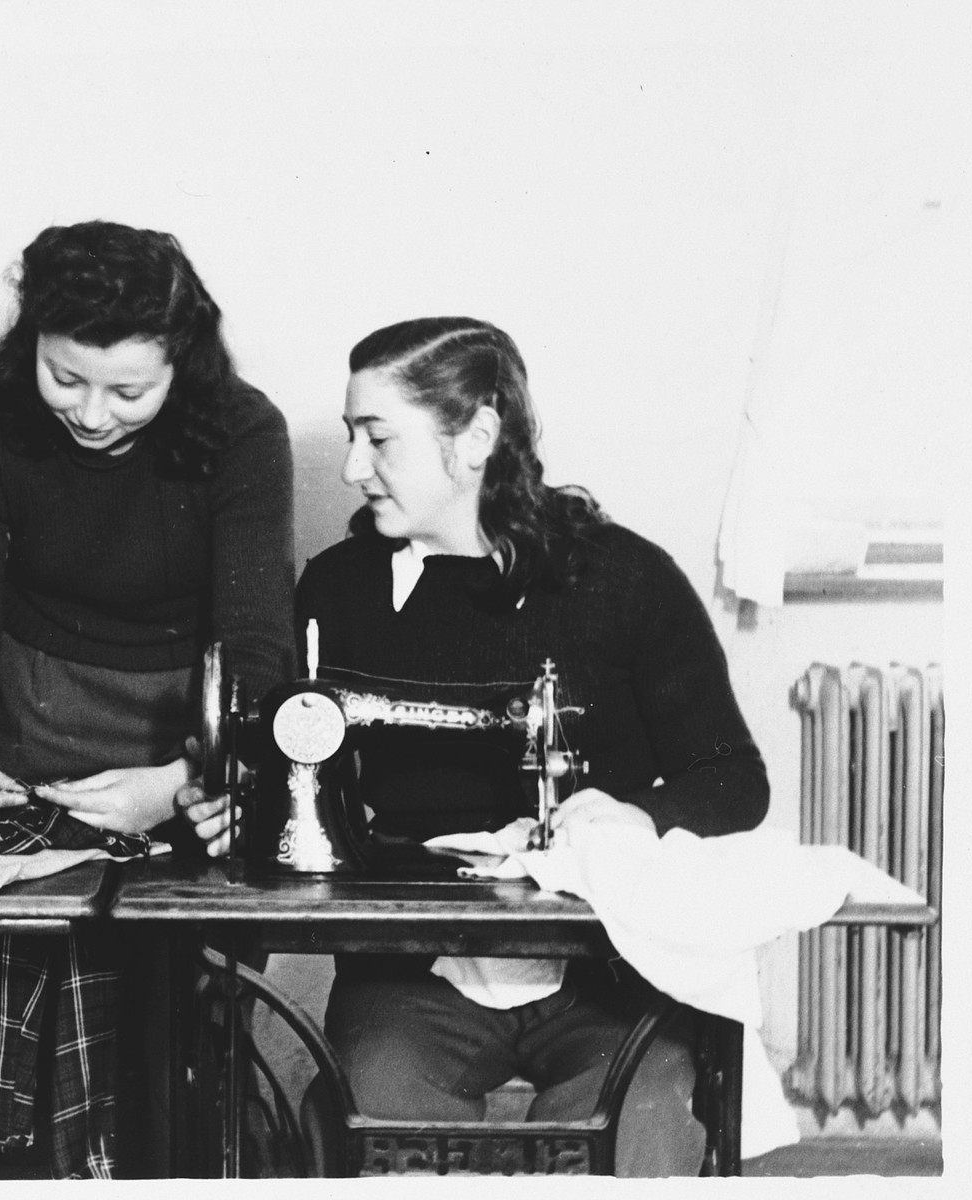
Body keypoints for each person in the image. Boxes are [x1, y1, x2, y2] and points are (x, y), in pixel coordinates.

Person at [180, 317, 770, 1177]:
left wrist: (636, 816)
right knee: (367, 1123)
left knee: (637, 1130)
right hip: (414, 976)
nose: (350, 467)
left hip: (606, 973)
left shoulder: (624, 580)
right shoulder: (339, 591)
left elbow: (733, 779)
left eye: (377, 438)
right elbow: (286, 763)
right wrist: (250, 811)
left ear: (478, 437)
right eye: (351, 436)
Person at [0, 220, 296, 1176]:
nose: (91, 412)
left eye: (129, 390)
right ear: (28, 346)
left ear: (183, 362)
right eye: (64, 377)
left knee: (166, 1014)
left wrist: (175, 786)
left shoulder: (244, 434)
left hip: (191, 768)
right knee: (26, 965)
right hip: (30, 764)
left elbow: (258, 657)